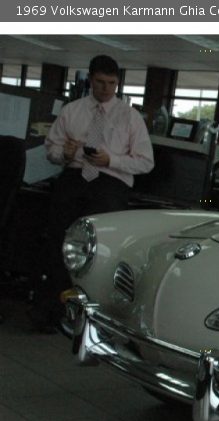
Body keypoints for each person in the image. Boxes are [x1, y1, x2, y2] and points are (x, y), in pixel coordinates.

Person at [28, 54, 154, 332]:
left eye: (111, 83)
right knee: (60, 241)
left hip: (110, 181)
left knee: (99, 249)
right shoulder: (72, 110)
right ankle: (51, 310)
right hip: (74, 176)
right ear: (90, 80)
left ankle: (93, 318)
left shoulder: (130, 117)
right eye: (100, 82)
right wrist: (64, 153)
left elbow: (146, 162)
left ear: (118, 83)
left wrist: (112, 160)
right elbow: (51, 150)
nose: (106, 89)